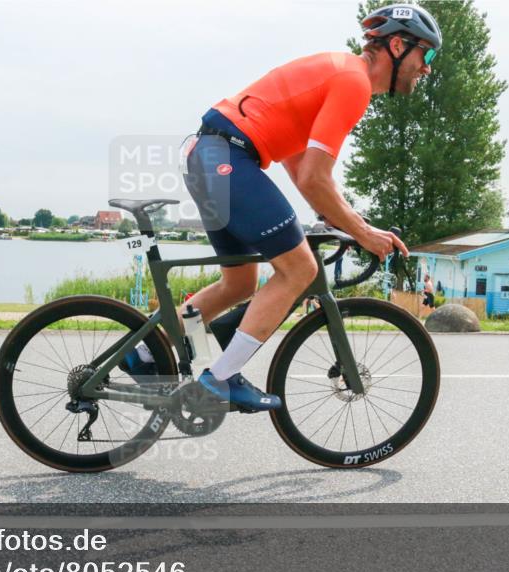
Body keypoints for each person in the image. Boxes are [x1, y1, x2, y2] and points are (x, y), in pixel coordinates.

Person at [123, 4, 436, 410]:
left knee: (239, 285)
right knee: (301, 270)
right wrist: (363, 232)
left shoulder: (340, 72)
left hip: (209, 154)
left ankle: (144, 353)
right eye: (425, 55)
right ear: (397, 45)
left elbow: (298, 161)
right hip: (227, 159)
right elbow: (313, 178)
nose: (427, 69)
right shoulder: (353, 83)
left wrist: (335, 215)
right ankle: (219, 379)